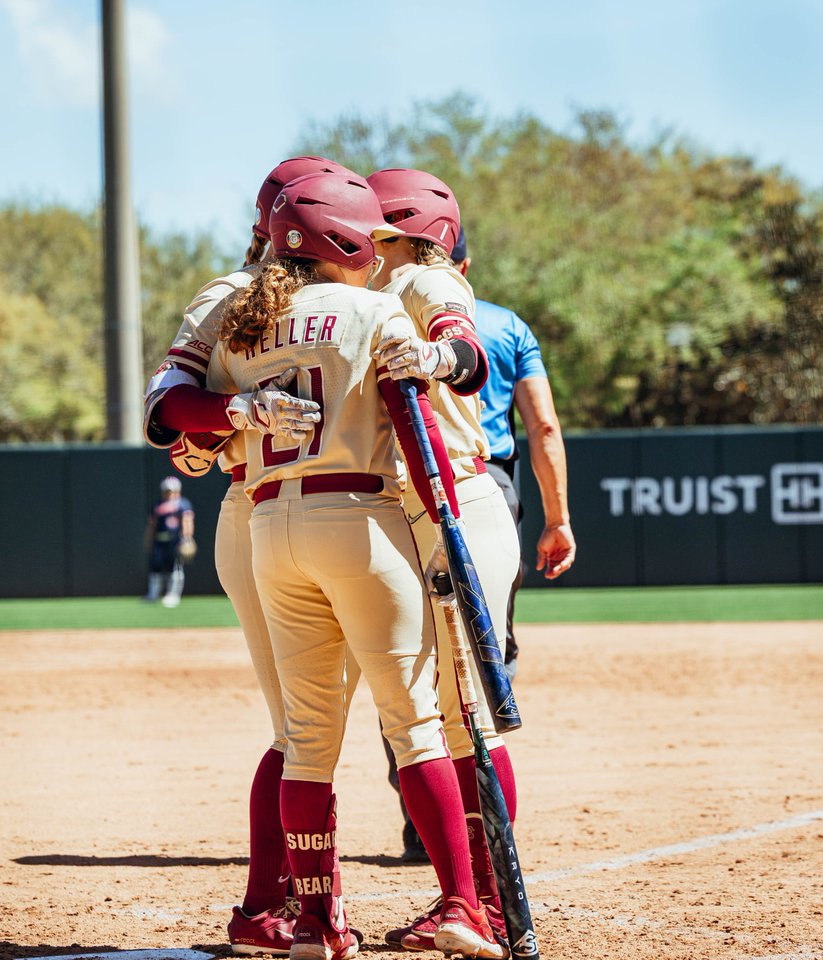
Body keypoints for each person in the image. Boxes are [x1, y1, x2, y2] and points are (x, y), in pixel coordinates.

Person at [160, 170, 505, 960]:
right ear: (349, 239)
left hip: (269, 523)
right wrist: (442, 529)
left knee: (306, 735)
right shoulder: (378, 307)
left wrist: (227, 418)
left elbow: (176, 422)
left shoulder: (245, 319)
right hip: (363, 518)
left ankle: (313, 921)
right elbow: (429, 411)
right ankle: (462, 901)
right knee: (415, 721)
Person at [144, 156, 357, 955]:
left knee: (344, 719)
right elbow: (171, 426)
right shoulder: (229, 296)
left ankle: (297, 904)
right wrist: (232, 416)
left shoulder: (352, 297)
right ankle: (273, 906)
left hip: (361, 512)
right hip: (261, 503)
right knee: (300, 726)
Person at [366, 168, 520, 949]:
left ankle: (486, 901)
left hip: (458, 503)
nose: (364, 241)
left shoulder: (424, 278)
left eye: (377, 231)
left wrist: (441, 359)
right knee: (431, 720)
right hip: (415, 509)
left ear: (412, 232)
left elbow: (462, 344)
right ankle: (466, 899)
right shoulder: (373, 294)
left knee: (471, 725)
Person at [451, 226, 577, 676]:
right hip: (488, 482)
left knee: (413, 643)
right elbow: (543, 426)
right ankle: (488, 740)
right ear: (464, 268)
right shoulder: (508, 326)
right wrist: (557, 520)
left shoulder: (387, 316)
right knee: (492, 639)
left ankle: (421, 747)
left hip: (405, 478)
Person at [143, 476, 195, 607]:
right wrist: (148, 540)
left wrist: (187, 538)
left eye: (172, 490)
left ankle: (173, 595)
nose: (169, 493)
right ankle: (153, 594)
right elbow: (152, 525)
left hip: (175, 540)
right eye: (167, 490)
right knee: (156, 567)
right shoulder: (158, 505)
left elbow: (187, 521)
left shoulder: (183, 504)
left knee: (175, 567)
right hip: (159, 540)